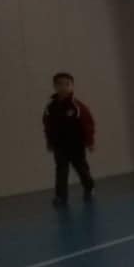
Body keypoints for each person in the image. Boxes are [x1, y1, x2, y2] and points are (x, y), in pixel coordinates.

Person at [42, 72, 95, 208]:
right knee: (61, 170)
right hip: (59, 146)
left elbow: (88, 124)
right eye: (60, 84)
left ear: (72, 86)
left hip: (76, 145)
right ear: (55, 86)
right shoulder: (50, 107)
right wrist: (49, 142)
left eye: (67, 84)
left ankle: (89, 187)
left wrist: (89, 142)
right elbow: (48, 126)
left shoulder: (77, 106)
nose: (63, 87)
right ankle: (61, 196)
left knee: (81, 168)